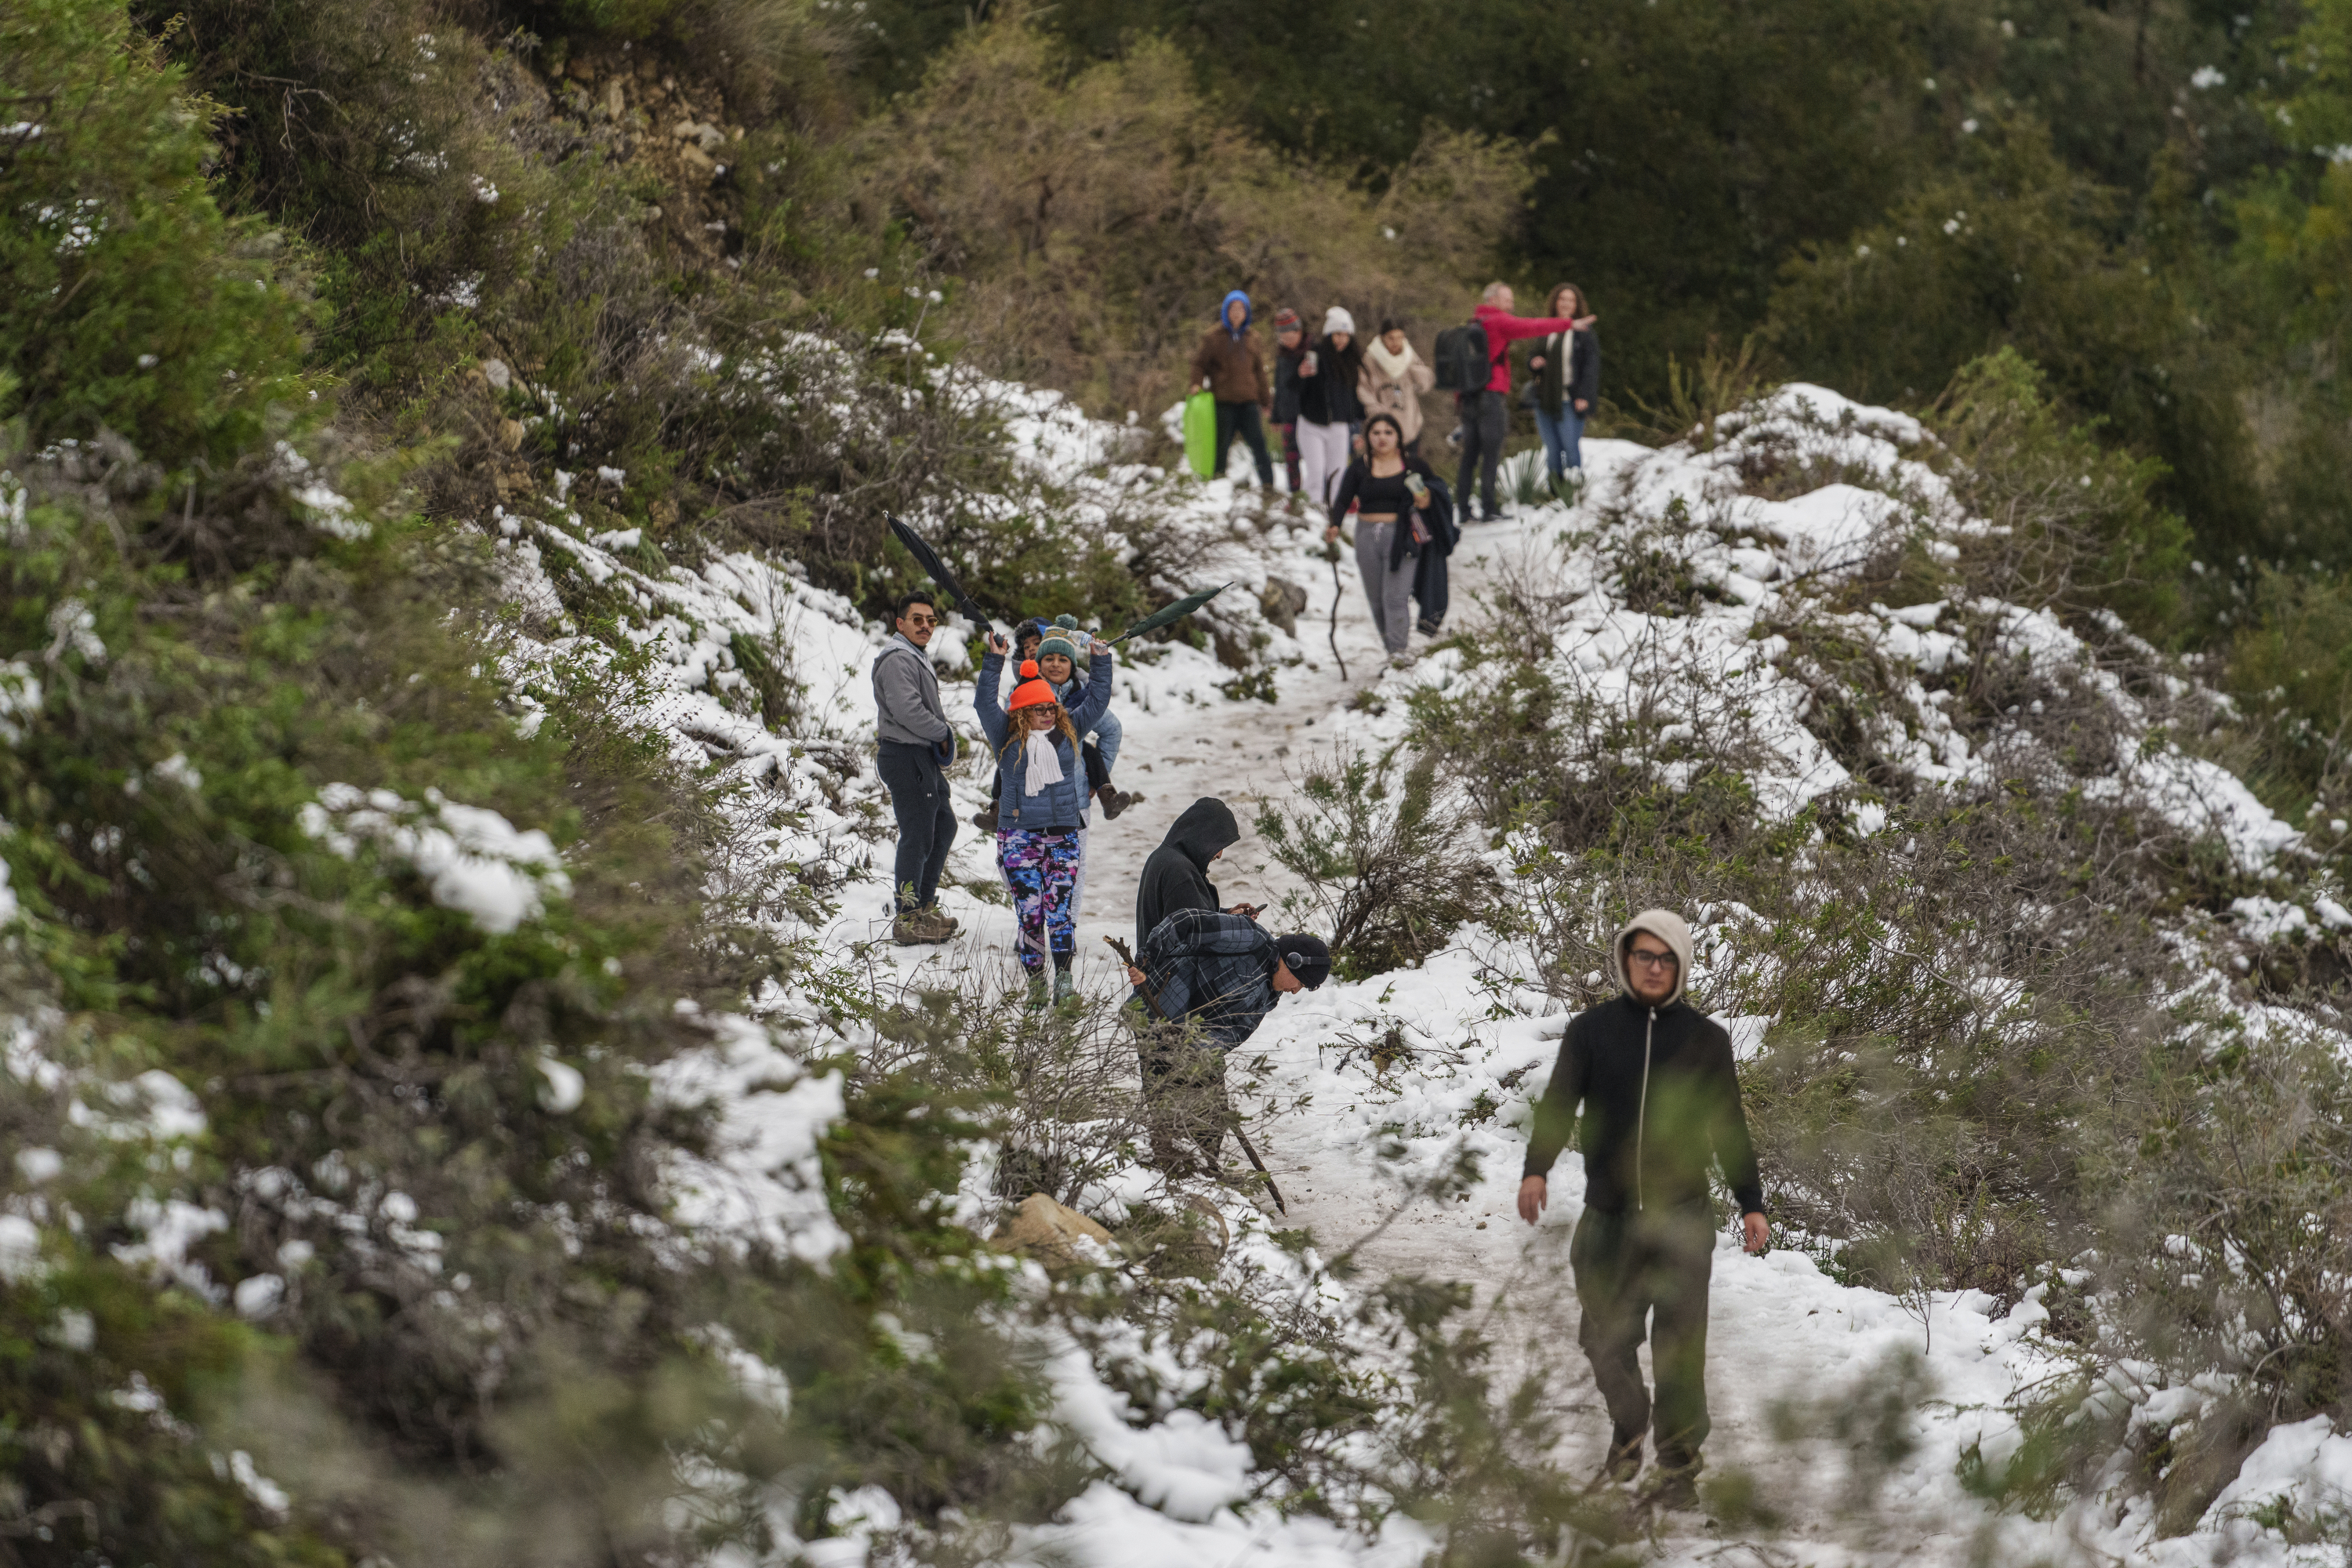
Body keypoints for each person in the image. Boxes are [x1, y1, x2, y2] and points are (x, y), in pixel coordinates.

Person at [1516, 909, 1769, 1507]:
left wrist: (1750, 1201)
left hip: (1681, 1219)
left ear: (1680, 965)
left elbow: (1728, 1126)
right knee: (1603, 1338)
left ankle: (1678, 1471)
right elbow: (1558, 1103)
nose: (1654, 968)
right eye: (1643, 956)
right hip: (1608, 1217)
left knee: (1680, 1348)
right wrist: (1536, 1168)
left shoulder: (1707, 1040)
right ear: (1625, 959)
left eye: (1666, 959)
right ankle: (1629, 1424)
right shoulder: (1592, 1030)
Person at [1125, 908, 1330, 1171]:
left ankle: (1203, 1175)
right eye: (1300, 982)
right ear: (1291, 961)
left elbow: (1231, 1034)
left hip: (1188, 1043)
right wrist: (1145, 963)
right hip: (1156, 1015)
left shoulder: (1269, 997)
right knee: (1170, 1108)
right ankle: (1170, 1175)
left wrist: (1207, 1055)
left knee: (1213, 1115)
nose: (1295, 990)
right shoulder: (1250, 937)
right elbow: (1184, 922)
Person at [975, 630, 1116, 1007]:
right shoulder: (1005, 737)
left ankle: (1065, 981)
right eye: (1038, 708)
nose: (1046, 713)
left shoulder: (1069, 733)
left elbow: (1099, 700)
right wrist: (995, 660)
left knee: (1060, 912)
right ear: (1022, 711)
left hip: (1064, 836)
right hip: (1019, 838)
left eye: (1050, 708)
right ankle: (1036, 982)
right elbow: (983, 702)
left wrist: (1100, 659)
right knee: (1031, 915)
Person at [1323, 413, 1450, 664]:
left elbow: (1432, 496)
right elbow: (1342, 500)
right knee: (1377, 599)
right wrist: (1334, 525)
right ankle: (1391, 649)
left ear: (1399, 438)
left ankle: (1399, 653)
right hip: (1366, 535)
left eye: (1388, 432)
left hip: (1402, 536)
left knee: (1395, 596)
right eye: (1376, 433)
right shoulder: (1359, 467)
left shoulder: (1414, 466)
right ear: (1367, 437)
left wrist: (1424, 497)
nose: (1382, 438)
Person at [870, 591, 960, 945]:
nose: (926, 626)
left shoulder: (913, 657)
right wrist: (943, 732)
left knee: (943, 825)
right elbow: (907, 710)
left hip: (919, 756)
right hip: (905, 754)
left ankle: (922, 907)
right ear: (900, 623)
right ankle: (908, 917)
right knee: (919, 833)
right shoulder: (897, 659)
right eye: (918, 619)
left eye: (931, 620)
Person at [1457, 282, 1578, 524]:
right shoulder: (1498, 321)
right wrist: (1568, 323)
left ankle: (1463, 509)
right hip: (1490, 396)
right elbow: (1532, 327)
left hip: (1468, 397)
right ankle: (1489, 508)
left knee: (1469, 455)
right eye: (1507, 300)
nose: (1511, 305)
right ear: (1493, 300)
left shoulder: (1473, 323)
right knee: (1491, 454)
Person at [1134, 797, 1258, 956]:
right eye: (1219, 846)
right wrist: (1235, 925)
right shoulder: (1179, 870)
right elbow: (1193, 936)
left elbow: (1187, 918)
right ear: (1204, 836)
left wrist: (1226, 916)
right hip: (1171, 978)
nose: (1220, 855)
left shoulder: (1163, 856)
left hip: (1155, 974)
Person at [1189, 290, 1275, 488]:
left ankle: (1268, 485)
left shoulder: (1253, 337)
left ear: (1247, 312)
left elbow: (1260, 372)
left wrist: (1266, 400)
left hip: (1249, 402)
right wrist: (1196, 384)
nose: (1236, 313)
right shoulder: (1212, 337)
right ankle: (1217, 485)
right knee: (1221, 447)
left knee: (1259, 445)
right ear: (1226, 311)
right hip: (1223, 402)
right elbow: (1198, 364)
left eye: (1241, 308)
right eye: (1232, 308)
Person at [1526, 284, 1601, 488]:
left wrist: (1584, 395)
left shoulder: (1584, 332)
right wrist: (1534, 363)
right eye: (1562, 299)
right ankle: (1555, 491)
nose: (1566, 303)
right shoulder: (1547, 328)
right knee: (1552, 447)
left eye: (1571, 300)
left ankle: (1575, 490)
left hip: (1570, 398)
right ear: (1555, 302)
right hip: (1545, 398)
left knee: (1569, 445)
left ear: (1577, 304)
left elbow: (1591, 366)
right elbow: (1533, 355)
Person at [1294, 306, 1364, 510]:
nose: (1342, 339)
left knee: (1337, 475)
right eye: (1337, 334)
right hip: (1311, 424)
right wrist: (1300, 375)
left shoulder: (1351, 362)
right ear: (1329, 334)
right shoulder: (1313, 355)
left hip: (1339, 427)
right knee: (1316, 474)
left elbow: (1353, 398)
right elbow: (1295, 390)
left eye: (1346, 335)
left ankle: (1334, 519)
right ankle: (1311, 515)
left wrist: (1357, 429)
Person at [1359, 320, 1435, 456]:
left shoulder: (1409, 356)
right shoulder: (1370, 360)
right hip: (1383, 430)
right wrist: (1377, 412)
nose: (1396, 342)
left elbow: (1426, 384)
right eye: (1391, 338)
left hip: (1410, 429)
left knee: (1410, 473)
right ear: (1382, 338)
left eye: (1399, 338)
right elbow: (1363, 391)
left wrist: (1415, 371)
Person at [1269, 307, 1308, 498]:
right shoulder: (1282, 355)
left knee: (1314, 458)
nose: (1286, 340)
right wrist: (1276, 416)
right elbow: (1279, 385)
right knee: (1291, 458)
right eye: (1282, 336)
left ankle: (1319, 496)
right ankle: (1294, 494)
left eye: (1289, 335)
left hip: (1309, 414)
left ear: (1299, 332)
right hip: (1288, 414)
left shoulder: (1311, 351)